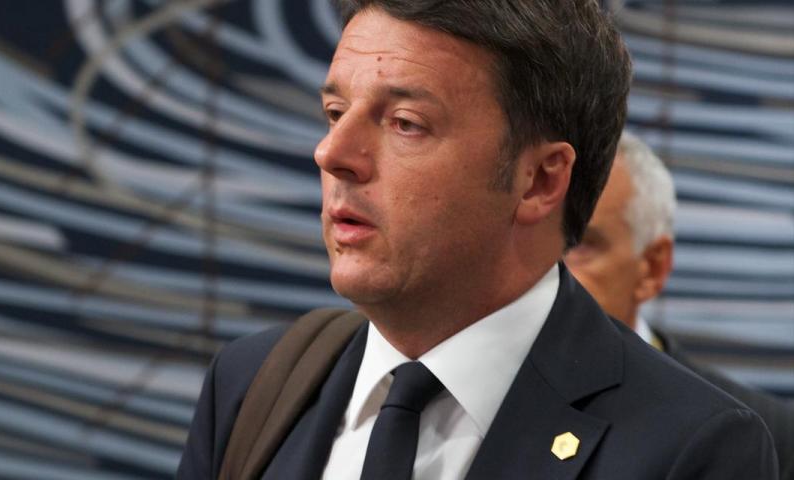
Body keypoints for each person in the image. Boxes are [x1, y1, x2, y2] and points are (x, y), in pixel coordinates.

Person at [177, 1, 778, 478]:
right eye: (336, 112)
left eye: (405, 123)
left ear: (540, 181)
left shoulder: (691, 448)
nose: (332, 153)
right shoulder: (250, 384)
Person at [566, 131, 794, 480]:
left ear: (652, 267)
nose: (548, 269)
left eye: (580, 244)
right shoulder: (486, 394)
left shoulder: (763, 438)